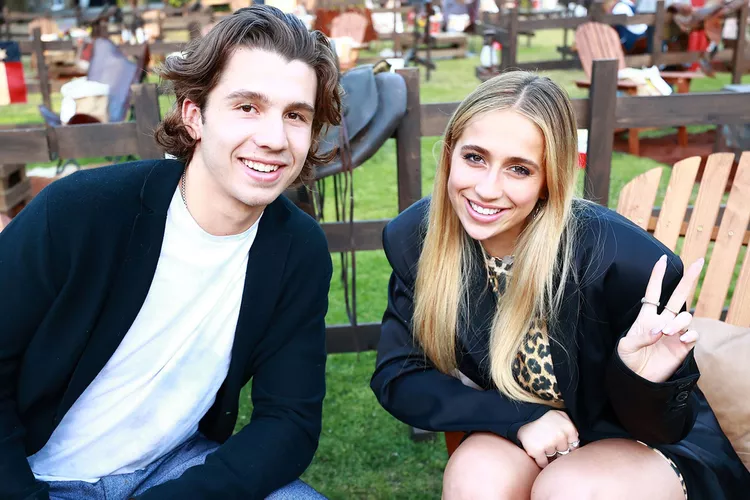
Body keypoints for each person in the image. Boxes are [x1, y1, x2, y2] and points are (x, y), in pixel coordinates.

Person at [0, 5, 340, 499]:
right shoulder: (79, 212)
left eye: (295, 116)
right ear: (193, 114)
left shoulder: (299, 251)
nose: (273, 139)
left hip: (175, 471)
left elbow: (289, 421)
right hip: (37, 475)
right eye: (247, 107)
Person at [370, 71, 750, 499]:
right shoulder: (418, 240)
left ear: (549, 178)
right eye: (474, 157)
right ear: (449, 154)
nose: (487, 189)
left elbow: (666, 427)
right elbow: (399, 375)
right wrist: (520, 417)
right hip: (529, 424)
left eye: (519, 169)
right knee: (474, 477)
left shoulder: (625, 262)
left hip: (640, 441)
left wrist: (642, 382)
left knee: (570, 489)